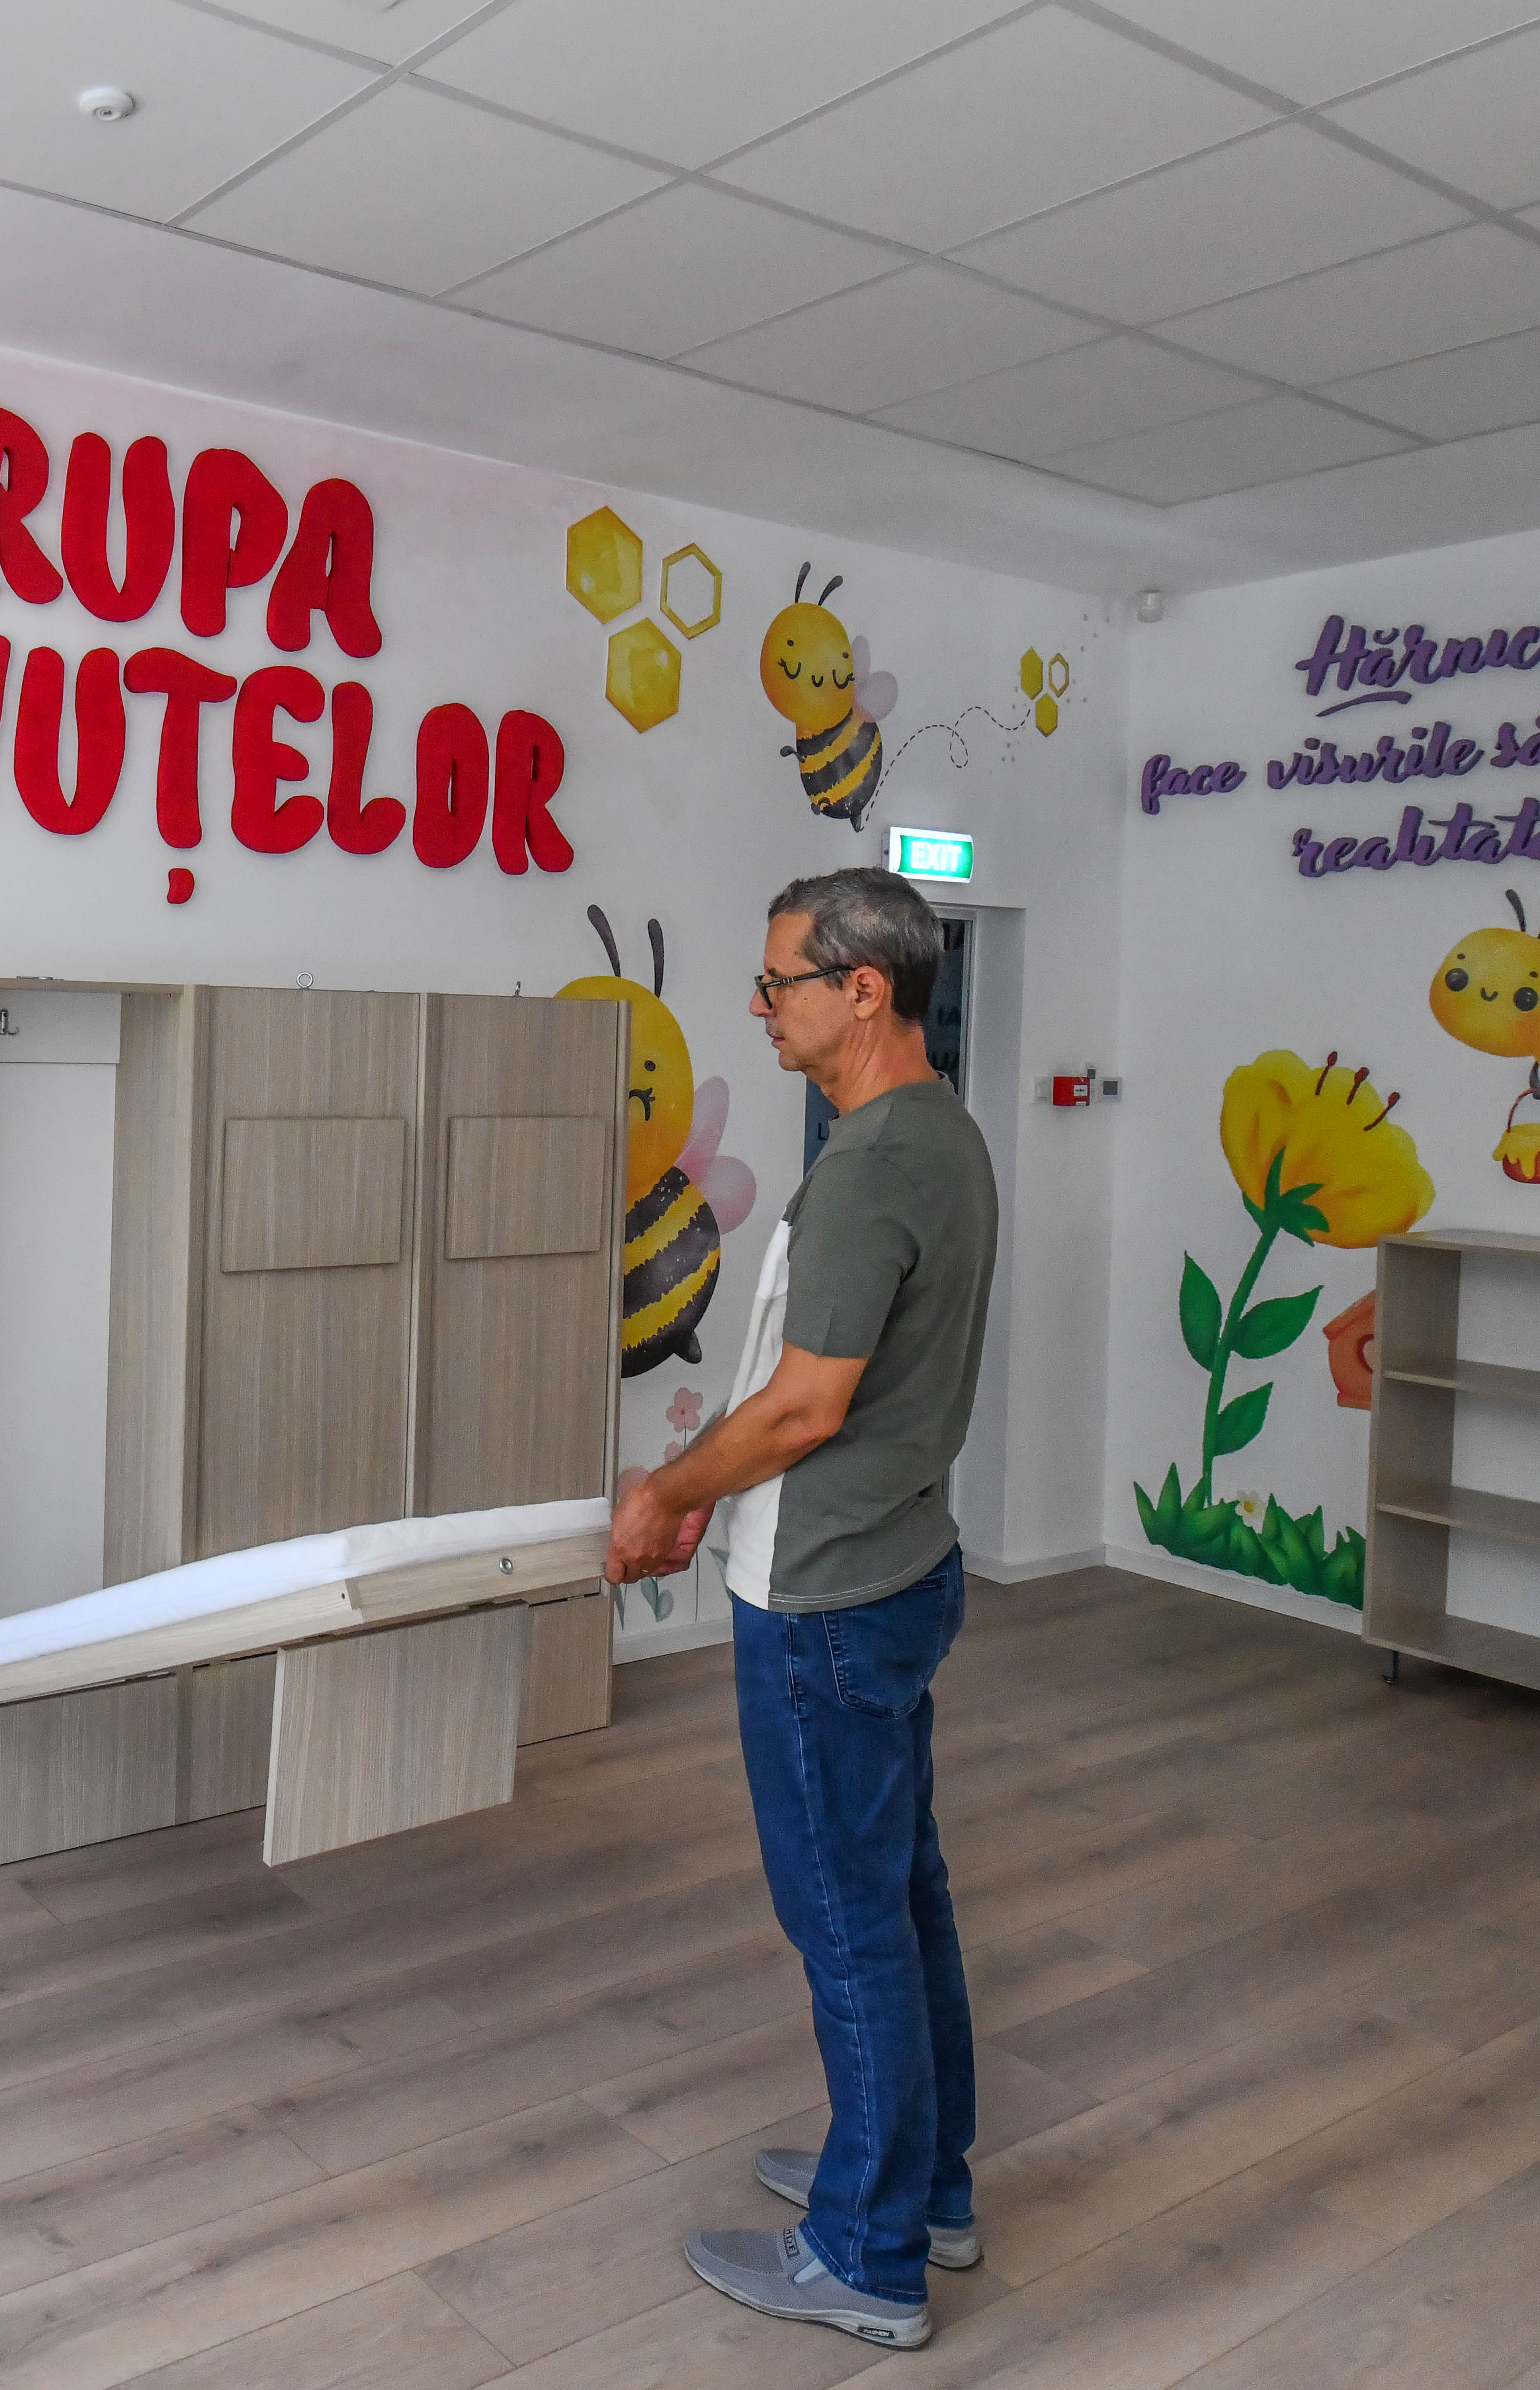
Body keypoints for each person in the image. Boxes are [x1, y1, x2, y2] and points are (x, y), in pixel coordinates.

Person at [606, 866, 999, 2351]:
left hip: (827, 1594)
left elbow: (804, 1407)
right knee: (900, 1894)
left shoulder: (876, 1165)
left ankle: (867, 2253)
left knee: (847, 1920)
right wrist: (701, 1489)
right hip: (898, 1569)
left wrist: (662, 1495)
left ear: (864, 990)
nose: (760, 1005)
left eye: (781, 981)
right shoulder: (940, 1136)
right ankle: (925, 2186)